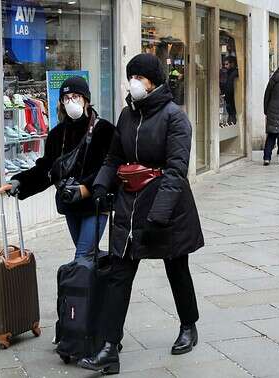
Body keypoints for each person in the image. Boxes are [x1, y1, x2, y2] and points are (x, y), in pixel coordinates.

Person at [78, 53, 204, 375]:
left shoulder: (175, 118)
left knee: (176, 267)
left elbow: (176, 172)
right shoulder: (127, 114)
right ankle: (109, 348)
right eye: (130, 75)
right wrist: (102, 187)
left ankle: (188, 325)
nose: (134, 82)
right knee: (119, 273)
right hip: (128, 204)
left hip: (165, 206)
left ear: (154, 81)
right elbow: (113, 157)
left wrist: (159, 214)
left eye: (140, 76)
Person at [0, 76, 114, 259]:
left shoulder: (104, 130)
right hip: (70, 204)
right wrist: (19, 182)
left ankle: (86, 284)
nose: (71, 101)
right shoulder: (57, 134)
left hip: (95, 203)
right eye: (66, 98)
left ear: (86, 100)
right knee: (89, 257)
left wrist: (87, 188)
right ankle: (101, 283)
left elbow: (110, 167)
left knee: (82, 256)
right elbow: (45, 170)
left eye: (76, 96)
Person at [222, 56, 238, 124]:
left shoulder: (234, 73)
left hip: (232, 99)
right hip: (229, 99)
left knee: (232, 117)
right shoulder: (228, 73)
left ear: (232, 64)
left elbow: (230, 88)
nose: (225, 66)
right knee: (231, 117)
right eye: (224, 64)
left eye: (227, 64)